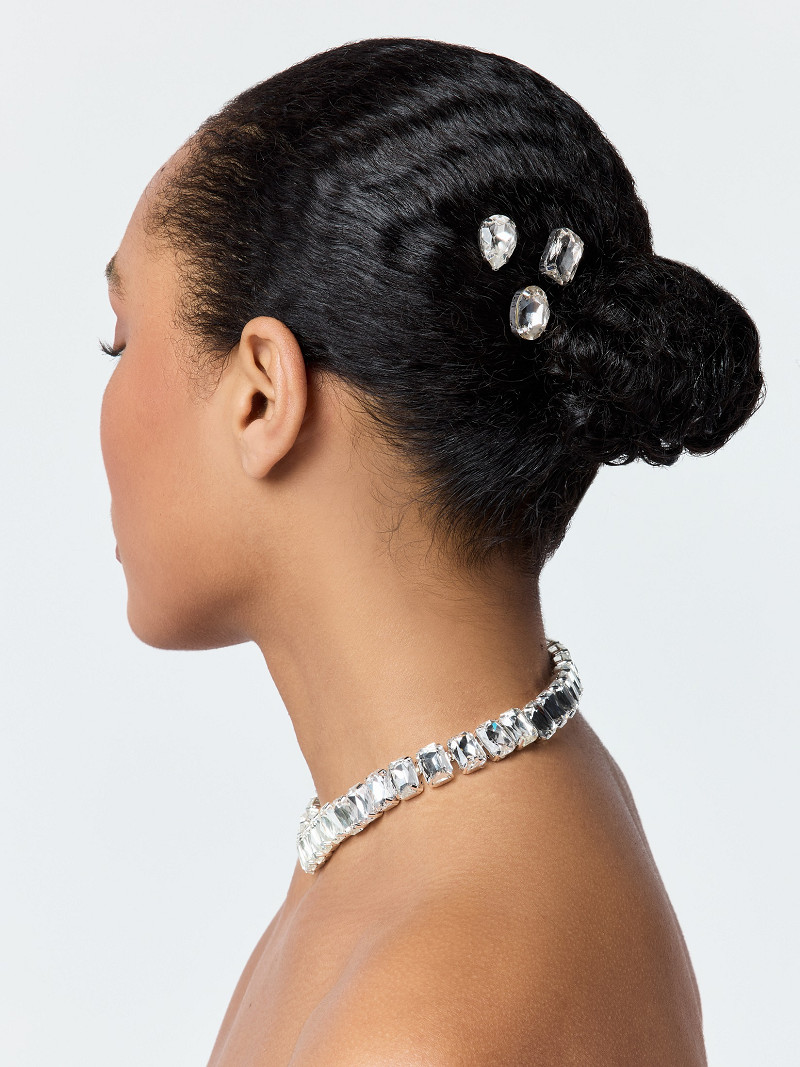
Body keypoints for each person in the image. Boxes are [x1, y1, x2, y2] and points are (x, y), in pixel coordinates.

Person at [99, 37, 764, 1066]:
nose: (103, 396)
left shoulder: (425, 1016)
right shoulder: (462, 828)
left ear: (262, 395)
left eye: (119, 337)